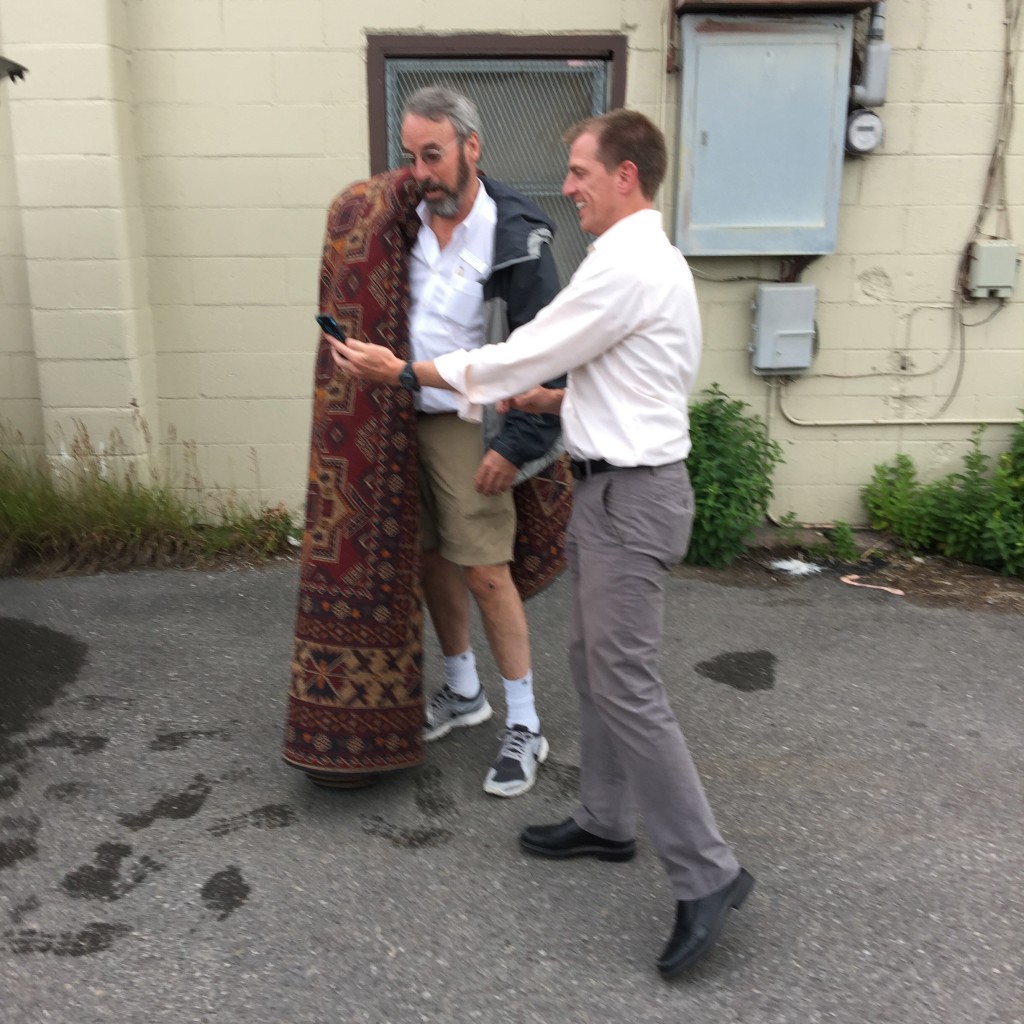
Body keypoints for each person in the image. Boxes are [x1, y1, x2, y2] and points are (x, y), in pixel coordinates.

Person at [330, 108, 754, 978]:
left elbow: (525, 350)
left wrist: (405, 371)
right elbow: (636, 383)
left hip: (634, 498)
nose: (567, 188)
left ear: (626, 176)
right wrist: (556, 406)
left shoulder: (630, 267)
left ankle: (709, 873)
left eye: (580, 172)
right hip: (613, 484)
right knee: (594, 664)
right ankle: (605, 820)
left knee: (626, 683)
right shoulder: (633, 262)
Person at [393, 86, 564, 797]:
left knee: (487, 569)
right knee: (431, 558)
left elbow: (545, 351)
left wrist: (516, 443)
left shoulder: (516, 234)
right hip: (407, 418)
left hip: (474, 425)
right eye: (410, 157)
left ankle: (525, 724)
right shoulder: (398, 221)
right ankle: (464, 690)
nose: (420, 172)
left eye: (432, 155)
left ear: (472, 147)